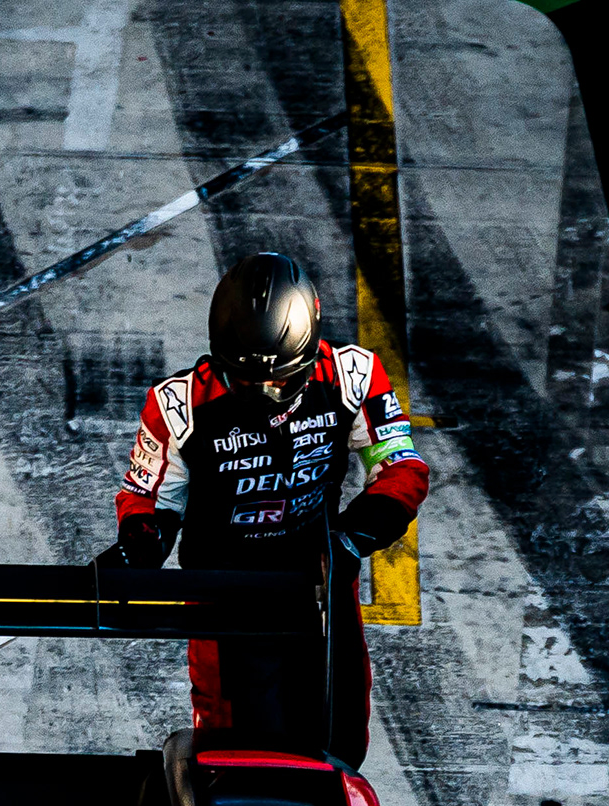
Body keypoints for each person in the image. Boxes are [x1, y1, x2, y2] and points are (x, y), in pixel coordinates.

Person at [105, 250, 426, 761]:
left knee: (340, 743)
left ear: (311, 351)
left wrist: (349, 541)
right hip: (222, 597)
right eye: (246, 382)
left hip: (318, 586)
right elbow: (150, 501)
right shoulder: (177, 405)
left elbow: (402, 470)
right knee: (238, 752)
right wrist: (139, 546)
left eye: (283, 381)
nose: (267, 395)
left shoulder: (354, 377)